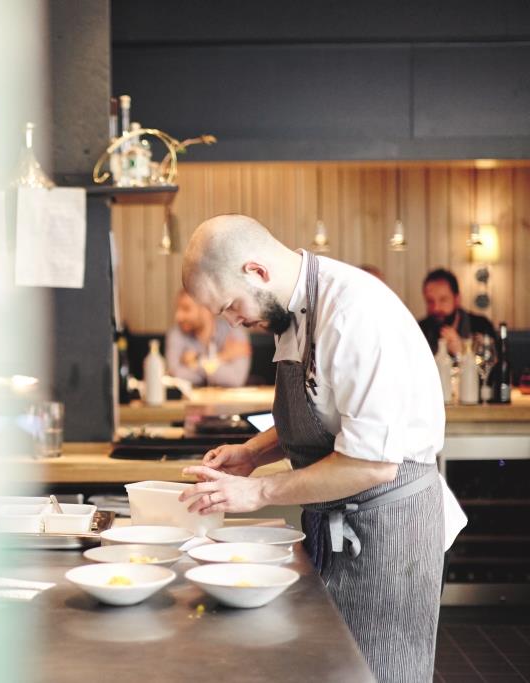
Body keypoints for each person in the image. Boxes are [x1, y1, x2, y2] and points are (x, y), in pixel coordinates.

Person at [177, 214, 456, 683]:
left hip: (387, 529)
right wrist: (252, 454)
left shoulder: (352, 313)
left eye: (229, 306)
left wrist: (259, 493)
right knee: (335, 670)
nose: (233, 322)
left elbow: (372, 463)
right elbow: (323, 417)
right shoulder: (290, 311)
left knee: (379, 672)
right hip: (338, 524)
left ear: (257, 271)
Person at [165, 290, 251, 387]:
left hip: (227, 401)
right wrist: (221, 358)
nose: (178, 316)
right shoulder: (176, 333)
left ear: (206, 309)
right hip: (193, 401)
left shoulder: (234, 332)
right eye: (177, 309)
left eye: (186, 309)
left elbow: (235, 379)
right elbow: (175, 374)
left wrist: (197, 361)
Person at [418, 268, 495, 357]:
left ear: (457, 299)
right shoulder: (419, 330)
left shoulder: (481, 325)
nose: (436, 308)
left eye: (443, 300)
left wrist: (462, 351)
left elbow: (493, 366)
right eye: (430, 301)